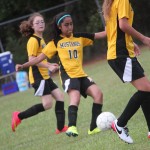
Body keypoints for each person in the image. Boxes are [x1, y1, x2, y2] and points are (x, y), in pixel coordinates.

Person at [16, 11, 106, 137]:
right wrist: (23, 66)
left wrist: (109, 21)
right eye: (66, 25)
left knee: (98, 94)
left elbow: (102, 34)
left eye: (71, 24)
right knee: (75, 98)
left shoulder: (79, 37)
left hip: (81, 74)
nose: (69, 27)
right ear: (60, 27)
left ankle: (93, 127)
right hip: (68, 75)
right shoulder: (55, 42)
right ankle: (72, 127)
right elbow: (37, 58)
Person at [102, 0, 150, 144]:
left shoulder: (111, 2)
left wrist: (131, 42)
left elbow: (114, 29)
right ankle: (120, 124)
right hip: (120, 54)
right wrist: (143, 38)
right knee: (146, 89)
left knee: (146, 91)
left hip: (121, 52)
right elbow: (123, 25)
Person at [12, 12, 68, 134]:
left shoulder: (41, 39)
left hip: (45, 76)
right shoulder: (33, 40)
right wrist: (48, 65)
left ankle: (60, 128)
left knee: (60, 96)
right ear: (32, 26)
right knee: (47, 104)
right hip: (38, 76)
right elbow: (32, 60)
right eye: (37, 22)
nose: (40, 24)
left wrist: (49, 65)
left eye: (42, 21)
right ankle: (19, 116)